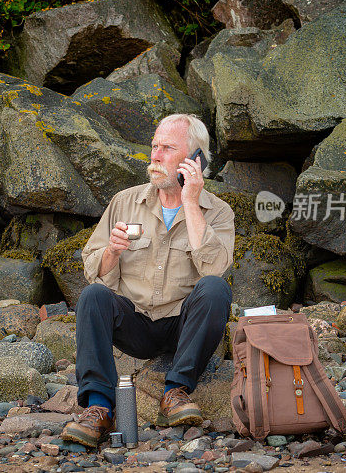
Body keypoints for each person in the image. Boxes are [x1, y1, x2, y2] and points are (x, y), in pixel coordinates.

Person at [60, 113, 235, 448]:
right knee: (93, 295)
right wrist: (112, 251)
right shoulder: (125, 201)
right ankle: (98, 406)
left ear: (194, 159)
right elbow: (92, 267)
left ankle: (176, 393)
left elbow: (214, 269)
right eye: (154, 146)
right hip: (135, 324)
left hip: (183, 327)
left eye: (167, 148)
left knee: (215, 289)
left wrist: (191, 203)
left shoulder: (219, 212)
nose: (155, 155)